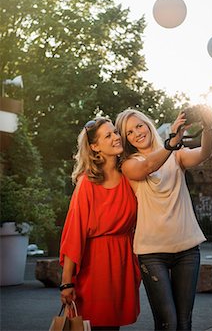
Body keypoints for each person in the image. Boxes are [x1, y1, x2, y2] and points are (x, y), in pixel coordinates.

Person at [115, 106, 212, 331]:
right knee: (167, 323)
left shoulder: (176, 155)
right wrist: (171, 143)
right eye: (129, 132)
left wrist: (208, 126)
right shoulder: (129, 164)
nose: (137, 133)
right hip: (152, 253)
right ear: (126, 139)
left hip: (186, 249)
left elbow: (204, 154)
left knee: (184, 322)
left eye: (139, 125)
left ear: (147, 125)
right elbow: (149, 166)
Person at [59, 117, 140, 331]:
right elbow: (74, 233)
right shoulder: (87, 183)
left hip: (123, 263)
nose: (116, 137)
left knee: (112, 327)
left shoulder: (129, 177)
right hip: (95, 267)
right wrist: (67, 281)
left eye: (115, 132)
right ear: (95, 146)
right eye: (108, 135)